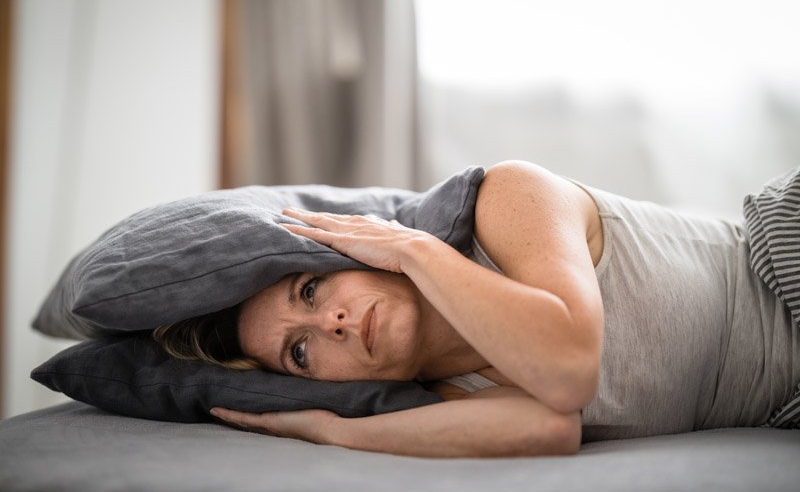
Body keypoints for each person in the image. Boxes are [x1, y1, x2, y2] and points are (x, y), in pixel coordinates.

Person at [153, 160, 800, 458]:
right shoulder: (446, 394)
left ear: (349, 251)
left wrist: (411, 248)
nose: (332, 323)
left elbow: (569, 368)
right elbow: (553, 429)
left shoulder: (506, 200)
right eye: (301, 352)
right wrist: (329, 430)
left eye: (311, 292)